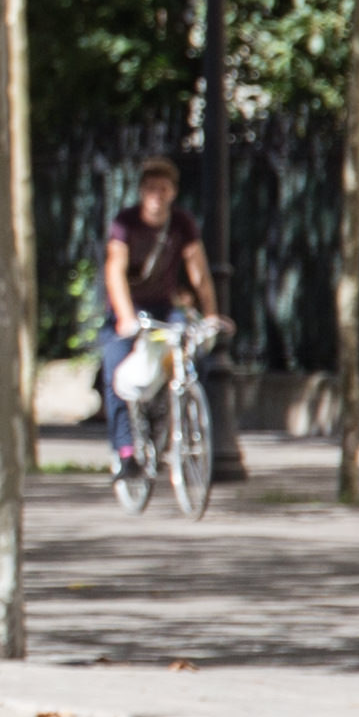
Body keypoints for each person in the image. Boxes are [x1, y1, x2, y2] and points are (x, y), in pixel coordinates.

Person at [98, 155, 225, 477]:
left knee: (192, 353)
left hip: (164, 308)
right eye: (151, 188)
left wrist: (211, 314)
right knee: (115, 369)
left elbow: (199, 272)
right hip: (128, 309)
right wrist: (125, 317)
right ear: (142, 191)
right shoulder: (125, 223)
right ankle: (125, 451)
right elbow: (114, 270)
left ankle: (176, 417)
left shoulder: (182, 223)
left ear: (173, 192)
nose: (157, 195)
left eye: (164, 189)